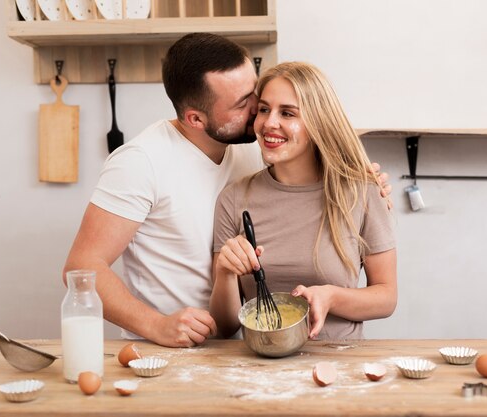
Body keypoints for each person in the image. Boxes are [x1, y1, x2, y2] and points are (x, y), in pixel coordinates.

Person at [63, 33, 392, 348]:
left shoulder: (251, 146)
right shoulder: (140, 162)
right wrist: (156, 325)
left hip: (239, 346)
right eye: (244, 104)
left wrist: (357, 179)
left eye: (255, 93)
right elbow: (81, 267)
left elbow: (307, 157)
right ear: (196, 118)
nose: (258, 113)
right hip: (164, 347)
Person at [210, 62, 397, 340]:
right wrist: (225, 271)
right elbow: (225, 327)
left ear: (318, 122)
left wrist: (331, 297)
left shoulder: (362, 191)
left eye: (287, 113)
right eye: (264, 109)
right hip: (260, 366)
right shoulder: (233, 198)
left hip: (339, 367)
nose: (269, 123)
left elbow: (386, 297)